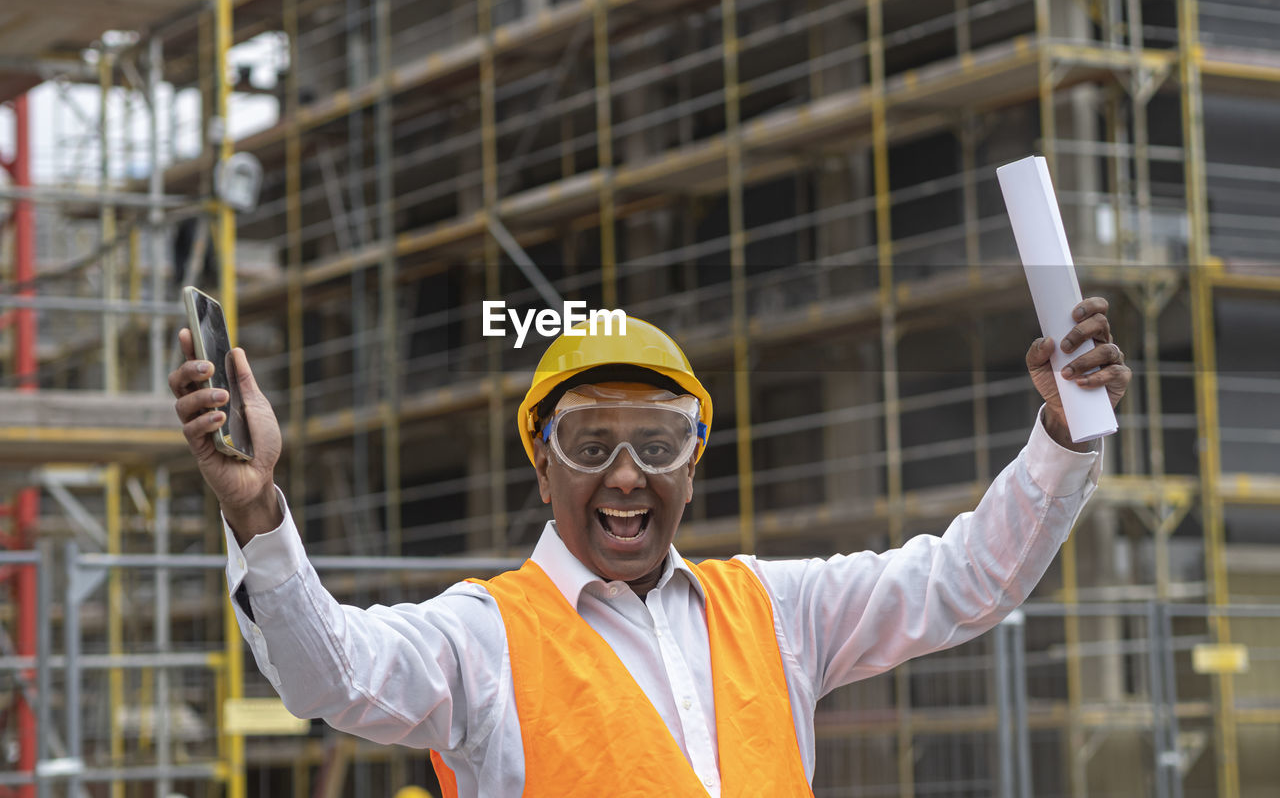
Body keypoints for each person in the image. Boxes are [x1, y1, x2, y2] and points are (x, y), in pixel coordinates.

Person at [170, 299, 1131, 797]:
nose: (627, 476)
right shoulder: (485, 639)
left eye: (658, 445)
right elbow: (329, 674)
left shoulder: (770, 608)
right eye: (591, 447)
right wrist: (256, 511)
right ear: (542, 473)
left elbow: (969, 580)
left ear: (693, 464)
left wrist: (1063, 431)